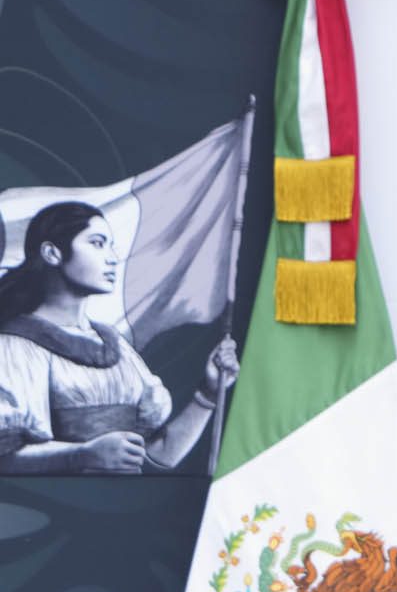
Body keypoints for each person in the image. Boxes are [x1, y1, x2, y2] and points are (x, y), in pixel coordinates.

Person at [0, 200, 239, 472]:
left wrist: (208, 392)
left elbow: (159, 456)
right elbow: (4, 458)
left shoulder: (117, 348)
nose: (112, 257)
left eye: (110, 245)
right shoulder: (16, 347)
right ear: (52, 253)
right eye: (97, 243)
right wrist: (82, 455)